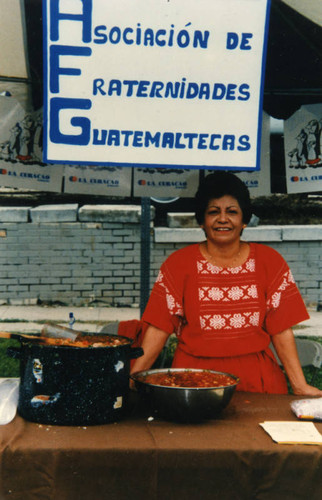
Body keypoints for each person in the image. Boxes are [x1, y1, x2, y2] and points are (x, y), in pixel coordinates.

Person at [131, 171, 322, 395]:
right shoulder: (178, 264)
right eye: (213, 212)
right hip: (193, 381)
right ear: (202, 221)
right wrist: (132, 380)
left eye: (232, 212)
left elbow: (281, 331)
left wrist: (299, 385)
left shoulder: (269, 261)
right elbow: (159, 329)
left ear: (244, 221)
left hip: (258, 381)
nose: (223, 219)